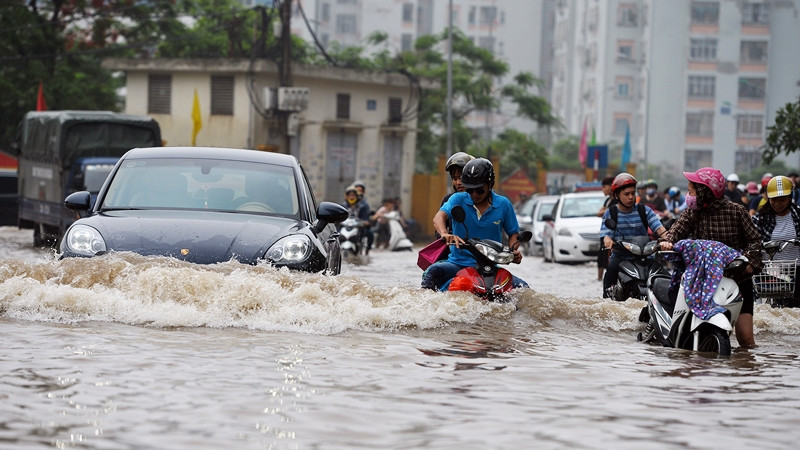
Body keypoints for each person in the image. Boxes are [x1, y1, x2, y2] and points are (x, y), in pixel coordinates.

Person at [659, 167, 763, 349]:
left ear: (704, 191)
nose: (688, 195)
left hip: (737, 277)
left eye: (691, 190)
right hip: (702, 276)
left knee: (746, 341)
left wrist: (750, 264)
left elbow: (755, 240)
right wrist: (668, 242)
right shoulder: (693, 212)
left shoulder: (737, 211)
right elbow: (676, 231)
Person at [421, 158, 528, 291]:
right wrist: (445, 233)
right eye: (470, 190)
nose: (474, 195)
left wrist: (513, 252)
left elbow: (513, 233)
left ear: (490, 184)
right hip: (457, 264)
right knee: (434, 271)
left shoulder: (504, 204)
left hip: (491, 266)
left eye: (479, 190)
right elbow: (439, 217)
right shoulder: (457, 199)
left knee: (524, 289)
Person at [600, 173, 667, 299]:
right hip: (621, 256)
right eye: (626, 194)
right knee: (610, 273)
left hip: (645, 256)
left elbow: (661, 230)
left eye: (633, 193)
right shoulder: (611, 213)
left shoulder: (644, 210)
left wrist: (667, 240)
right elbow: (606, 236)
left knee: (667, 280)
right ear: (616, 196)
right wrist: (609, 242)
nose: (631, 197)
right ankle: (607, 300)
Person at [752, 175, 800, 307]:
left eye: (782, 200)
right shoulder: (760, 219)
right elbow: (751, 241)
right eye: (774, 200)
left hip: (796, 270)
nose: (778, 204)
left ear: (790, 197)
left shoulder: (798, 215)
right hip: (772, 272)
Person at [342, 184, 373, 253]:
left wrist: (365, 222)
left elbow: (365, 218)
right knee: (336, 234)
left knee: (368, 233)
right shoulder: (343, 205)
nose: (351, 197)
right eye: (349, 195)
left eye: (353, 195)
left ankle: (364, 249)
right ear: (346, 196)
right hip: (345, 226)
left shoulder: (363, 205)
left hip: (359, 227)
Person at [596, 176, 616, 281]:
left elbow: (602, 212)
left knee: (609, 258)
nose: (603, 189)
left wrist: (605, 211)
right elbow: (599, 213)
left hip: (613, 234)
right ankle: (600, 279)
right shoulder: (608, 200)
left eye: (604, 187)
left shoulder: (616, 201)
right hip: (604, 232)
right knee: (601, 257)